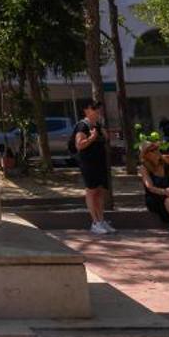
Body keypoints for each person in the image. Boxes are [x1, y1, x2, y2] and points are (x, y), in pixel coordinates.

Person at [73, 98, 114, 235]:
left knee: (99, 191)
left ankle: (102, 220)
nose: (97, 111)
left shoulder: (98, 124)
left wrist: (101, 130)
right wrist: (91, 137)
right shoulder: (82, 126)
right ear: (86, 110)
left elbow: (106, 139)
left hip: (99, 162)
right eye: (94, 108)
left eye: (98, 108)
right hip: (88, 163)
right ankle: (95, 222)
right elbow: (79, 145)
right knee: (91, 191)